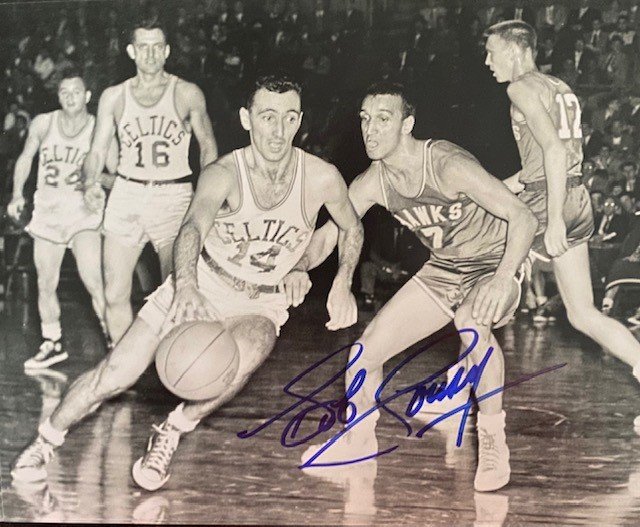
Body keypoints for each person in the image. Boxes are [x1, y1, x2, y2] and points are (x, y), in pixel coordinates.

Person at [11, 73, 364, 492]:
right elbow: (192, 228)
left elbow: (351, 227)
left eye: (289, 117)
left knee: (250, 349)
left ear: (299, 121)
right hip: (204, 281)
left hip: (260, 300)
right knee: (114, 375)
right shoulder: (224, 172)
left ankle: (173, 428)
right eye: (267, 116)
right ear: (246, 119)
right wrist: (187, 286)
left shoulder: (322, 177)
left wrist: (341, 280)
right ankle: (46, 440)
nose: (278, 129)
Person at [288, 82, 538, 492]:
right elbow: (330, 234)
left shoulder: (446, 164)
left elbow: (522, 217)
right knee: (364, 352)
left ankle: (494, 441)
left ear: (407, 124)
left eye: (383, 119)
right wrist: (297, 268)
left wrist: (501, 278)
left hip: (494, 263)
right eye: (365, 119)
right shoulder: (374, 181)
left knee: (472, 323)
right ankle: (358, 441)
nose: (370, 129)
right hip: (444, 270)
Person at [484, 20, 640, 386]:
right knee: (582, 313)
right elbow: (540, 166)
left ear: (515, 50)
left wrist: (553, 218)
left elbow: (553, 151)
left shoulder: (520, 87)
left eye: (491, 53)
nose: (487, 62)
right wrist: (486, 190)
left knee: (478, 284)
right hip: (575, 196)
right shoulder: (560, 87)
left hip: (549, 201)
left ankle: (457, 390)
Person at [83, 19, 219, 344]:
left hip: (173, 195)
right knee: (114, 292)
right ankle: (121, 358)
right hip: (126, 193)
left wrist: (208, 199)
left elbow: (208, 148)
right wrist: (90, 183)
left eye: (157, 47)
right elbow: (97, 151)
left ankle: (174, 360)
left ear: (167, 51)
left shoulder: (186, 93)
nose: (150, 54)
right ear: (131, 51)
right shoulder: (114, 97)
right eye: (143, 47)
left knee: (175, 289)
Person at [7, 71, 109, 369]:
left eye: (76, 91)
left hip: (82, 213)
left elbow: (117, 174)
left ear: (87, 96)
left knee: (93, 280)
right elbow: (25, 158)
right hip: (49, 211)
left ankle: (113, 339)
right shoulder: (43, 123)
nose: (70, 97)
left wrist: (95, 183)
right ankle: (52, 342)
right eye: (64, 92)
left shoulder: (99, 128)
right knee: (45, 282)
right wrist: (17, 194)